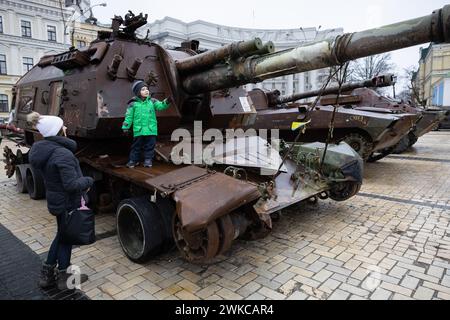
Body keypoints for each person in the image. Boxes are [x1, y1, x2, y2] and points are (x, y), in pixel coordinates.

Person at [29, 113, 93, 290]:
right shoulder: (62, 154)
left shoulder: (43, 150)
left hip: (56, 200)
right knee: (65, 238)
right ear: (57, 131)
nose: (66, 128)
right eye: (63, 126)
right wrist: (88, 181)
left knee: (63, 235)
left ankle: (48, 274)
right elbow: (71, 184)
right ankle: (63, 277)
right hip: (67, 201)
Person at [122, 80, 171, 168]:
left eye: (147, 89)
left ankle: (148, 160)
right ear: (138, 92)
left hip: (151, 129)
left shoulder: (152, 101)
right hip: (139, 130)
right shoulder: (133, 104)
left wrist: (166, 102)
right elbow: (128, 117)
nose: (146, 91)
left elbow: (160, 106)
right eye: (143, 89)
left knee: (150, 146)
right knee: (136, 147)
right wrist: (125, 127)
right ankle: (133, 160)